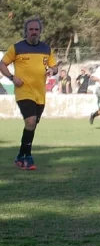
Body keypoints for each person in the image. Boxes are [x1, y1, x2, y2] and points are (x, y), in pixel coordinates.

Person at [0, 17, 58, 171]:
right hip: (23, 91)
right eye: (31, 29)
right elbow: (2, 64)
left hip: (40, 93)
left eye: (36, 30)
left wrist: (52, 70)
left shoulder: (46, 49)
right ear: (26, 31)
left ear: (40, 32)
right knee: (31, 121)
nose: (34, 32)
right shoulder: (17, 47)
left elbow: (54, 67)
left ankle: (20, 155)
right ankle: (28, 158)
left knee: (32, 125)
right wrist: (12, 78)